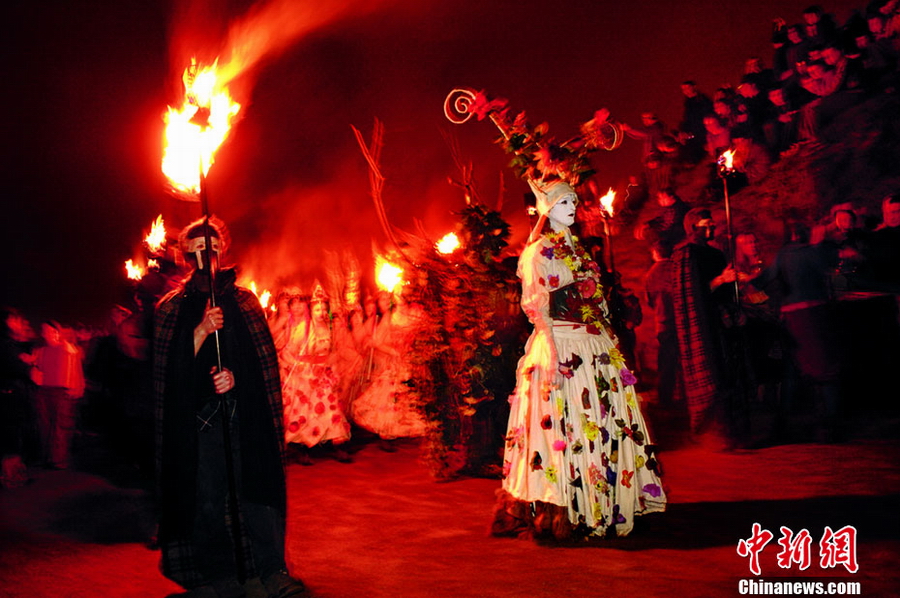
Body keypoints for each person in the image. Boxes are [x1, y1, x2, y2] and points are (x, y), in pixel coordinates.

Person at [491, 180, 665, 540]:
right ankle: (561, 506)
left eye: (573, 199)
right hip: (561, 343)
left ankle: (605, 498)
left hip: (592, 345)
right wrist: (553, 352)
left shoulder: (580, 250)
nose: (572, 205)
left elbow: (596, 300)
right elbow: (536, 305)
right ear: (546, 209)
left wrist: (608, 335)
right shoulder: (537, 252)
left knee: (600, 418)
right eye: (563, 201)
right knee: (562, 422)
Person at [153, 217, 306, 598]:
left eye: (214, 246)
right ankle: (217, 578)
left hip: (244, 416)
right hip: (198, 426)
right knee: (206, 501)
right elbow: (168, 372)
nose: (208, 254)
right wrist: (203, 330)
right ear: (187, 255)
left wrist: (236, 377)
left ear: (224, 250)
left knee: (258, 494)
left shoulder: (244, 301)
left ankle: (272, 571)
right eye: (199, 248)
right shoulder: (171, 308)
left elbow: (261, 362)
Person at [281, 284, 352, 464]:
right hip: (305, 376)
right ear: (311, 310)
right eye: (317, 309)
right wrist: (295, 367)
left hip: (323, 376)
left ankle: (338, 445)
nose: (321, 312)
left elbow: (332, 352)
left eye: (323, 309)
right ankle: (302, 447)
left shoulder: (328, 329)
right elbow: (286, 352)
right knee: (305, 412)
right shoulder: (303, 328)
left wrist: (334, 369)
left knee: (331, 409)